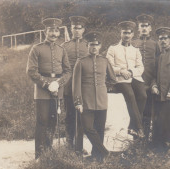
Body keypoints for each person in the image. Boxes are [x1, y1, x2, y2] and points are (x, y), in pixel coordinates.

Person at [26, 18, 71, 159]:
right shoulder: (37, 48)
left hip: (58, 89)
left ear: (59, 33)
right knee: (42, 120)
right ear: (45, 31)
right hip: (42, 90)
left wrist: (58, 83)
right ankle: (39, 155)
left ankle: (48, 151)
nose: (53, 33)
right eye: (50, 30)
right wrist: (46, 84)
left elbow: (68, 70)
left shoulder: (61, 50)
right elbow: (31, 71)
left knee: (53, 120)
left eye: (56, 30)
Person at [72, 31, 116, 161]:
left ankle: (98, 157)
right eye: (91, 45)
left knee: (100, 129)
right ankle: (105, 152)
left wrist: (104, 86)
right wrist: (78, 102)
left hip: (101, 100)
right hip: (86, 101)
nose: (94, 47)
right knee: (88, 128)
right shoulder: (81, 62)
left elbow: (113, 79)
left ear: (100, 46)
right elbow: (76, 84)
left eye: (97, 45)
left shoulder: (105, 61)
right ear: (87, 46)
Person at [106, 21, 147, 138]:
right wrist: (121, 71)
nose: (127, 36)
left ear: (132, 34)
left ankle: (132, 126)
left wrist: (131, 72)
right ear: (121, 33)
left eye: (129, 33)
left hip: (134, 77)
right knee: (130, 95)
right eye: (124, 33)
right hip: (120, 79)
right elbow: (109, 66)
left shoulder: (135, 50)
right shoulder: (113, 48)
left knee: (143, 96)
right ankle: (139, 127)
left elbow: (141, 67)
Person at [61, 16, 88, 152]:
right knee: (69, 115)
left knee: (82, 116)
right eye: (74, 28)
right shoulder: (65, 46)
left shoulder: (88, 45)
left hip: (84, 86)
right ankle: (69, 144)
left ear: (83, 29)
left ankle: (79, 145)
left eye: (79, 28)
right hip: (68, 85)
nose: (77, 30)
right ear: (71, 29)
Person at [132, 14, 160, 141]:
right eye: (142, 26)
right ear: (138, 28)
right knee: (135, 112)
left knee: (148, 112)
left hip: (149, 83)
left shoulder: (155, 44)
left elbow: (159, 65)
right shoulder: (133, 43)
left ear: (150, 28)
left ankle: (145, 141)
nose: (144, 28)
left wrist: (154, 82)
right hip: (135, 83)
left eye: (146, 26)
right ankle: (136, 142)